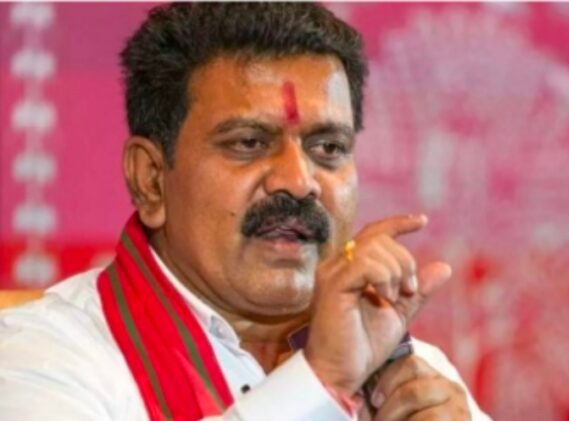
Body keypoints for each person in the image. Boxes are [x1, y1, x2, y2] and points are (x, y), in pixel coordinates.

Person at [0, 3, 490, 421]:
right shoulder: (39, 357)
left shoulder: (409, 378)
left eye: (328, 148)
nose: (299, 182)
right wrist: (320, 385)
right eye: (249, 143)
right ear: (151, 180)